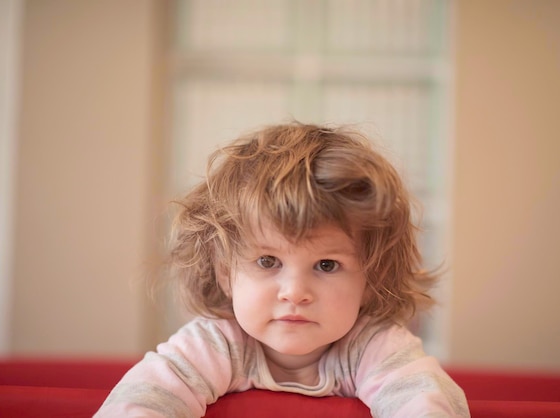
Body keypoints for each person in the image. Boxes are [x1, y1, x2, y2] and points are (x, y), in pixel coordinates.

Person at [94, 122, 470, 417]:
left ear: (371, 279)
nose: (295, 292)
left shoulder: (374, 346)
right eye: (267, 261)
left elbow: (425, 403)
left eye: (326, 264)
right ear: (225, 272)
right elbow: (143, 402)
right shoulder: (215, 345)